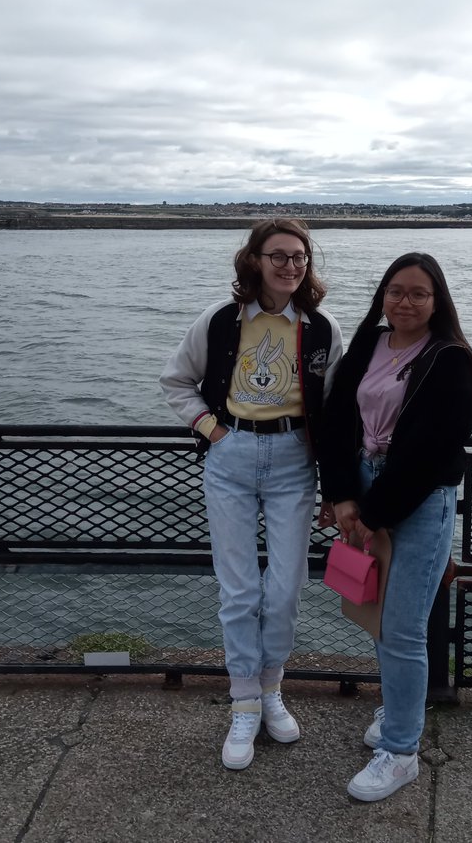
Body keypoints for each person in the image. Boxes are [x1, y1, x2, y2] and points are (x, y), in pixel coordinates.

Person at [160, 217, 342, 770]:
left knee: (285, 588)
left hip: (294, 460)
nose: (290, 266)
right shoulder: (219, 322)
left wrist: (336, 487)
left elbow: (335, 413)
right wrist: (212, 430)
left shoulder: (321, 328)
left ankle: (271, 689)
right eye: (278, 255)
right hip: (231, 457)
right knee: (239, 589)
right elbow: (175, 381)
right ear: (255, 262)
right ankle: (243, 703)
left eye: (299, 257)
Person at [319, 252, 472, 802]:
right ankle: (399, 707)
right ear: (381, 296)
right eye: (395, 291)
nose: (405, 302)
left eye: (418, 293)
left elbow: (431, 452)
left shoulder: (450, 360)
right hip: (365, 490)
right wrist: (341, 493)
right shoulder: (370, 343)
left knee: (404, 627)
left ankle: (401, 751)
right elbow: (337, 419)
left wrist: (370, 513)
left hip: (418, 501)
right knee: (377, 613)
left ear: (438, 302)